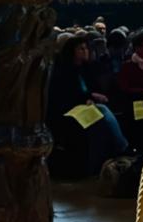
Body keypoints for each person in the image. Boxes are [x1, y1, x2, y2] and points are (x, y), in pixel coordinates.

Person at [48, 35, 129, 170]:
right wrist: (88, 97)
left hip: (87, 106)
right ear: (71, 51)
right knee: (102, 110)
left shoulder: (87, 68)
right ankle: (122, 147)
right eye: (81, 49)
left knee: (101, 115)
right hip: (70, 109)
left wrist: (91, 97)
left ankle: (107, 156)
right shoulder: (62, 71)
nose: (85, 51)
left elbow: (94, 88)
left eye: (86, 48)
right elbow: (65, 95)